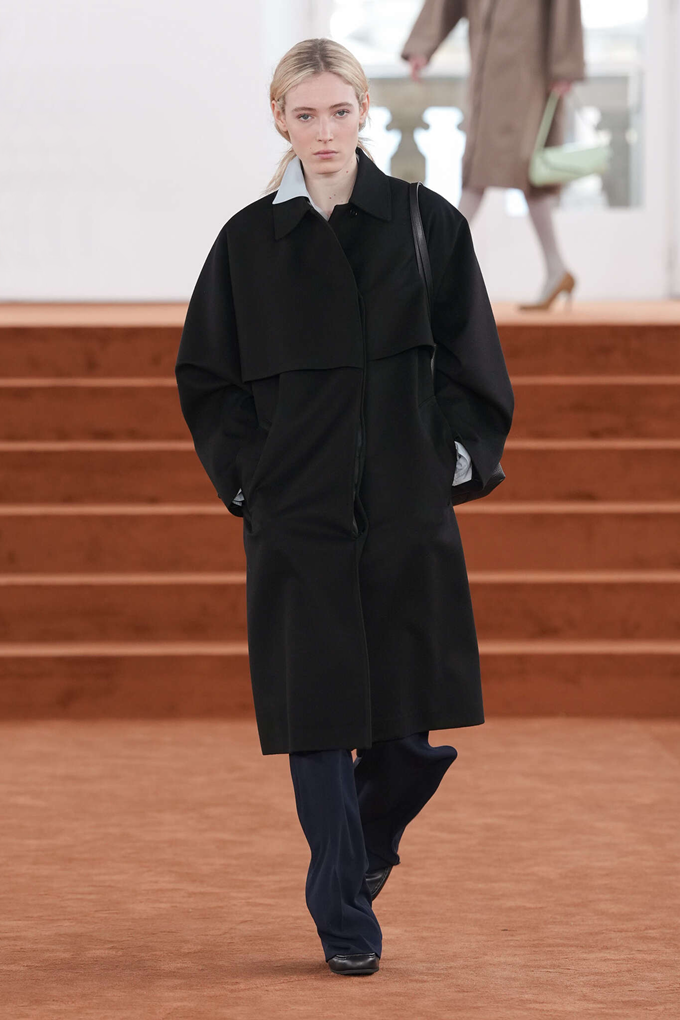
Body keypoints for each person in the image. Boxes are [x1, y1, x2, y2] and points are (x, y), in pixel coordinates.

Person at [174, 37, 514, 975]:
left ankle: (364, 849)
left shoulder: (424, 224)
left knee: (408, 739)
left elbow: (475, 360)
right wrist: (252, 480)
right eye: (304, 114)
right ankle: (342, 913)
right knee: (319, 725)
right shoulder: (249, 243)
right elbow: (207, 377)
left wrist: (447, 463)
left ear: (364, 112)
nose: (323, 131)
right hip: (298, 520)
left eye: (338, 111)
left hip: (405, 512)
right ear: (279, 120)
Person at [401, 0, 586, 310]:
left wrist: (565, 65)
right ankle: (555, 267)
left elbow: (564, 6)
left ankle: (432, 266)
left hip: (529, 71)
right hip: (488, 70)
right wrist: (423, 46)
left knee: (495, 171)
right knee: (510, 171)